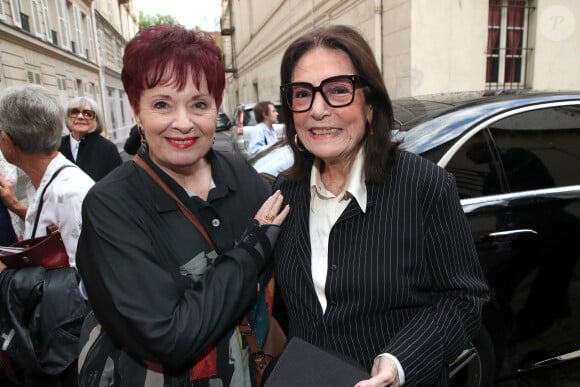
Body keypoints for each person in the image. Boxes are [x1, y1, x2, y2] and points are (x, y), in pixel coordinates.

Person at [272, 25, 490, 387]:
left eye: (338, 90)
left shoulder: (424, 186)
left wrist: (399, 362)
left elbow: (464, 299)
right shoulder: (286, 192)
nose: (318, 110)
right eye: (301, 94)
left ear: (370, 106)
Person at [75, 24, 290, 387]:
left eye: (199, 104)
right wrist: (251, 250)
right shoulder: (111, 205)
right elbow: (167, 336)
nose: (184, 123)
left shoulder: (239, 173)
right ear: (136, 109)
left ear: (216, 107)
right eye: (162, 104)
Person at [0, 84, 93, 386]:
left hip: (71, 353)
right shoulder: (49, 182)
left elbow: (87, 286)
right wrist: (15, 205)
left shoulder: (70, 191)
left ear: (8, 141)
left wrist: (10, 276)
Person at [59, 96, 123, 181]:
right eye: (74, 112)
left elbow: (119, 183)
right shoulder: (56, 146)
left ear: (96, 120)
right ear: (67, 118)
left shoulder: (107, 149)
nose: (80, 117)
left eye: (87, 114)